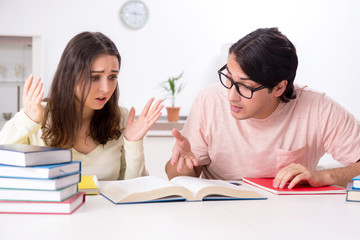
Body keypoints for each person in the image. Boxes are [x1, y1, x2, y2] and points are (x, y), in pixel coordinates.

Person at [165, 27, 360, 188]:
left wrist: (325, 176)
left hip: (292, 219)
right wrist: (182, 163)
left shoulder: (318, 108)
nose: (231, 96)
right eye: (229, 78)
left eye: (245, 87)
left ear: (279, 88)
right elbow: (177, 178)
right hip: (222, 217)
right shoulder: (209, 101)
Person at [0, 31, 163, 180]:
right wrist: (27, 120)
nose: (106, 89)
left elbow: (133, 189)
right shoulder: (37, 116)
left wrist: (133, 142)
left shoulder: (121, 119)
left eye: (112, 77)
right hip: (52, 212)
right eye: (94, 77)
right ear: (70, 76)